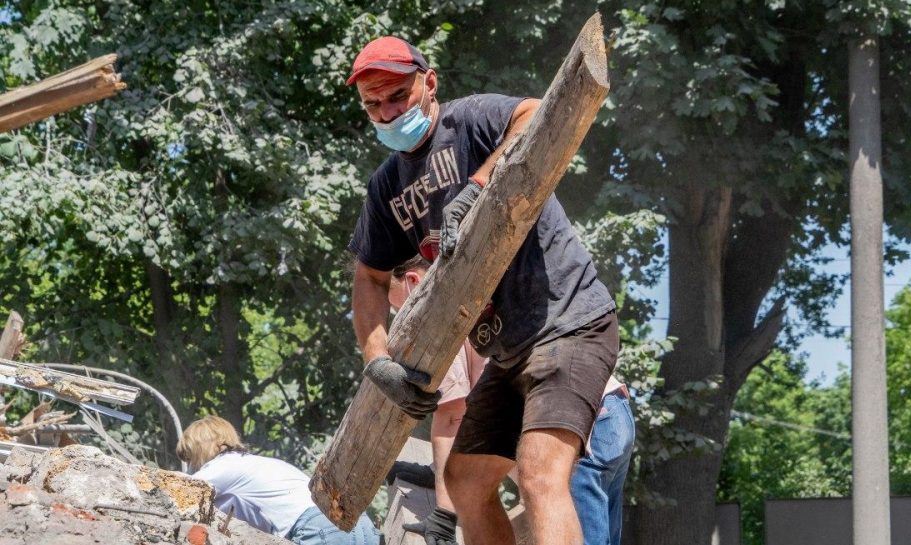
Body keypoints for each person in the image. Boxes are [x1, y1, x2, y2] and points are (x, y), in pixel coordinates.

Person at [346, 35, 619, 545]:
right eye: (372, 105)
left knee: (539, 475)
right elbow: (369, 276)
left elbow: (538, 113)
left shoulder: (469, 120)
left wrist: (477, 187)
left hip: (569, 323)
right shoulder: (386, 187)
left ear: (428, 83)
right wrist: (376, 357)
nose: (385, 113)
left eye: (396, 97)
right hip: (508, 352)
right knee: (465, 482)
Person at [387, 255, 635, 545]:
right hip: (613, 411)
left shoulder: (441, 320)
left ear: (413, 282)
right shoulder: (480, 287)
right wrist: (438, 474)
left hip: (580, 429)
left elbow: (453, 416)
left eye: (398, 308)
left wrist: (444, 516)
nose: (400, 318)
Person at [176, 416, 380, 545]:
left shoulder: (222, 467)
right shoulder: (257, 464)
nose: (192, 466)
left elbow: (177, 491)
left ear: (199, 448)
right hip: (358, 526)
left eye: (189, 458)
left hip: (320, 530)